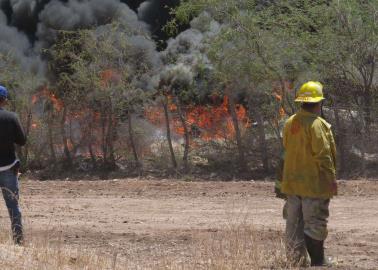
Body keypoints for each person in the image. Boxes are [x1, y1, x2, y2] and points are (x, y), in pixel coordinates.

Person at [280, 81, 337, 266]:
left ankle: (296, 263)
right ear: (319, 103)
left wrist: (280, 185)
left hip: (292, 184)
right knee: (315, 224)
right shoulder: (317, 125)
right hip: (313, 185)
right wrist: (331, 181)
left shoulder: (290, 122)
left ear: (301, 102)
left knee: (294, 225)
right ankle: (319, 263)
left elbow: (285, 153)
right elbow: (324, 156)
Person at [0, 85, 26, 245]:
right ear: (4, 100)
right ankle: (18, 242)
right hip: (8, 168)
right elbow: (22, 141)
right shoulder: (12, 117)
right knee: (13, 207)